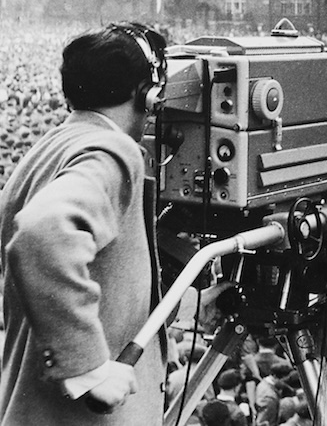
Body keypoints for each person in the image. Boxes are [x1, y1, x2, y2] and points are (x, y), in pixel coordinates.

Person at [0, 23, 230, 425]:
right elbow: (42, 234)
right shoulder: (112, 149)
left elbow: (105, 278)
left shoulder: (52, 146)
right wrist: (88, 367)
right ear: (149, 95)